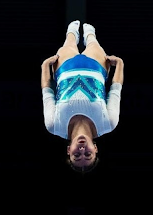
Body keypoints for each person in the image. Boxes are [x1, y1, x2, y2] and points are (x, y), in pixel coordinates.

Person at [41, 20, 124, 172]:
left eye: (77, 156)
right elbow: (115, 90)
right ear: (95, 148)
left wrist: (45, 66)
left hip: (64, 68)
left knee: (70, 41)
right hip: (96, 67)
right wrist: (119, 64)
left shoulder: (54, 125)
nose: (82, 150)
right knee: (93, 42)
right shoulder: (108, 123)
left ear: (68, 151)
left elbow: (47, 92)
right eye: (88, 154)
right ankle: (90, 35)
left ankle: (72, 32)